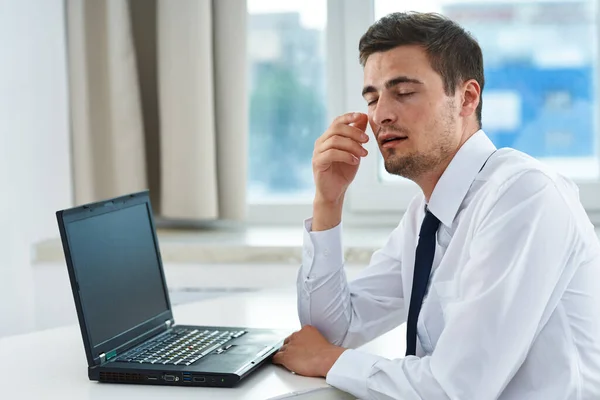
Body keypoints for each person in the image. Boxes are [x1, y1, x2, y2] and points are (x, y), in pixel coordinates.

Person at [272, 11, 600, 400]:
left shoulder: (523, 197)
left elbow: (457, 389)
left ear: (466, 97)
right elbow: (328, 332)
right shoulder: (426, 215)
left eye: (404, 92)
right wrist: (329, 202)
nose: (380, 115)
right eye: (372, 97)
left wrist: (332, 360)